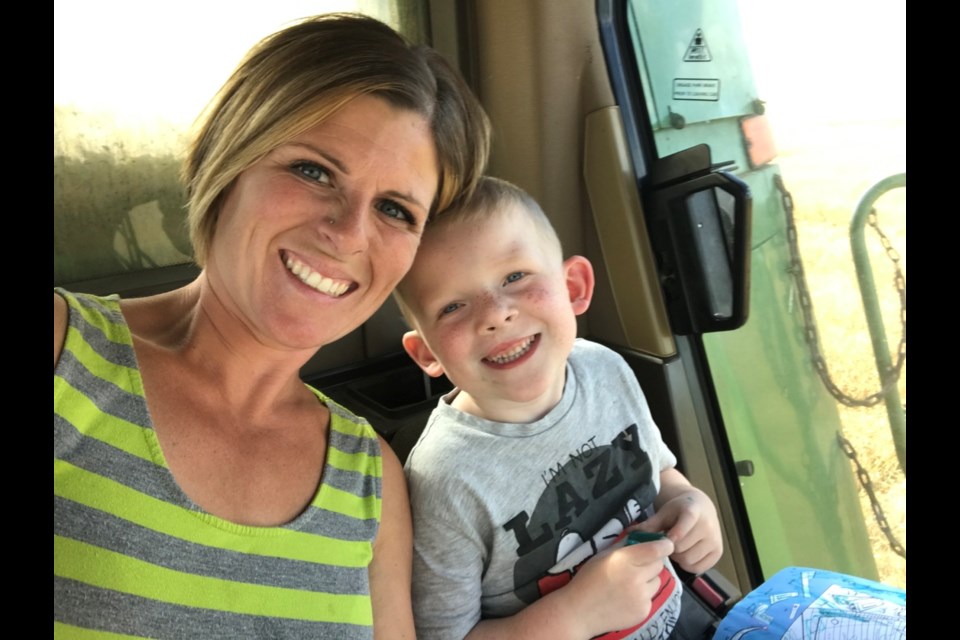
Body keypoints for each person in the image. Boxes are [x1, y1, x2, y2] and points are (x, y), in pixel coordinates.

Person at [53, 13, 490, 638]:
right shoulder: (65, 354)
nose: (347, 232)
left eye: (395, 209)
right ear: (226, 162)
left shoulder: (371, 479)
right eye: (313, 171)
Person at [393, 177, 723, 640]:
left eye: (514, 277)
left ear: (573, 287)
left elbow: (659, 474)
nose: (495, 314)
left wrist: (690, 504)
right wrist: (574, 617)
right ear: (426, 353)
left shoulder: (605, 370)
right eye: (452, 306)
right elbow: (447, 635)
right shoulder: (444, 478)